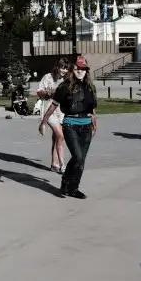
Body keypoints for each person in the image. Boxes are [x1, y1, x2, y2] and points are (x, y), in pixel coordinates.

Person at [39, 56, 97, 199]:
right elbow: (53, 105)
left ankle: (73, 188)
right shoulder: (65, 86)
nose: (80, 71)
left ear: (86, 71)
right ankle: (66, 180)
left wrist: (94, 125)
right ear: (73, 70)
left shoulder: (90, 87)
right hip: (71, 125)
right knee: (77, 156)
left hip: (86, 127)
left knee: (81, 161)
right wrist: (43, 121)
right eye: (77, 69)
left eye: (83, 69)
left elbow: (92, 109)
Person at [37, 58, 69, 173]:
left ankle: (54, 164)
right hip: (48, 109)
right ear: (57, 67)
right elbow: (39, 91)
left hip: (61, 111)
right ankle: (62, 164)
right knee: (60, 135)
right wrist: (49, 92)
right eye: (62, 67)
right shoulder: (48, 77)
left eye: (66, 68)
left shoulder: (66, 80)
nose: (64, 71)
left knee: (56, 137)